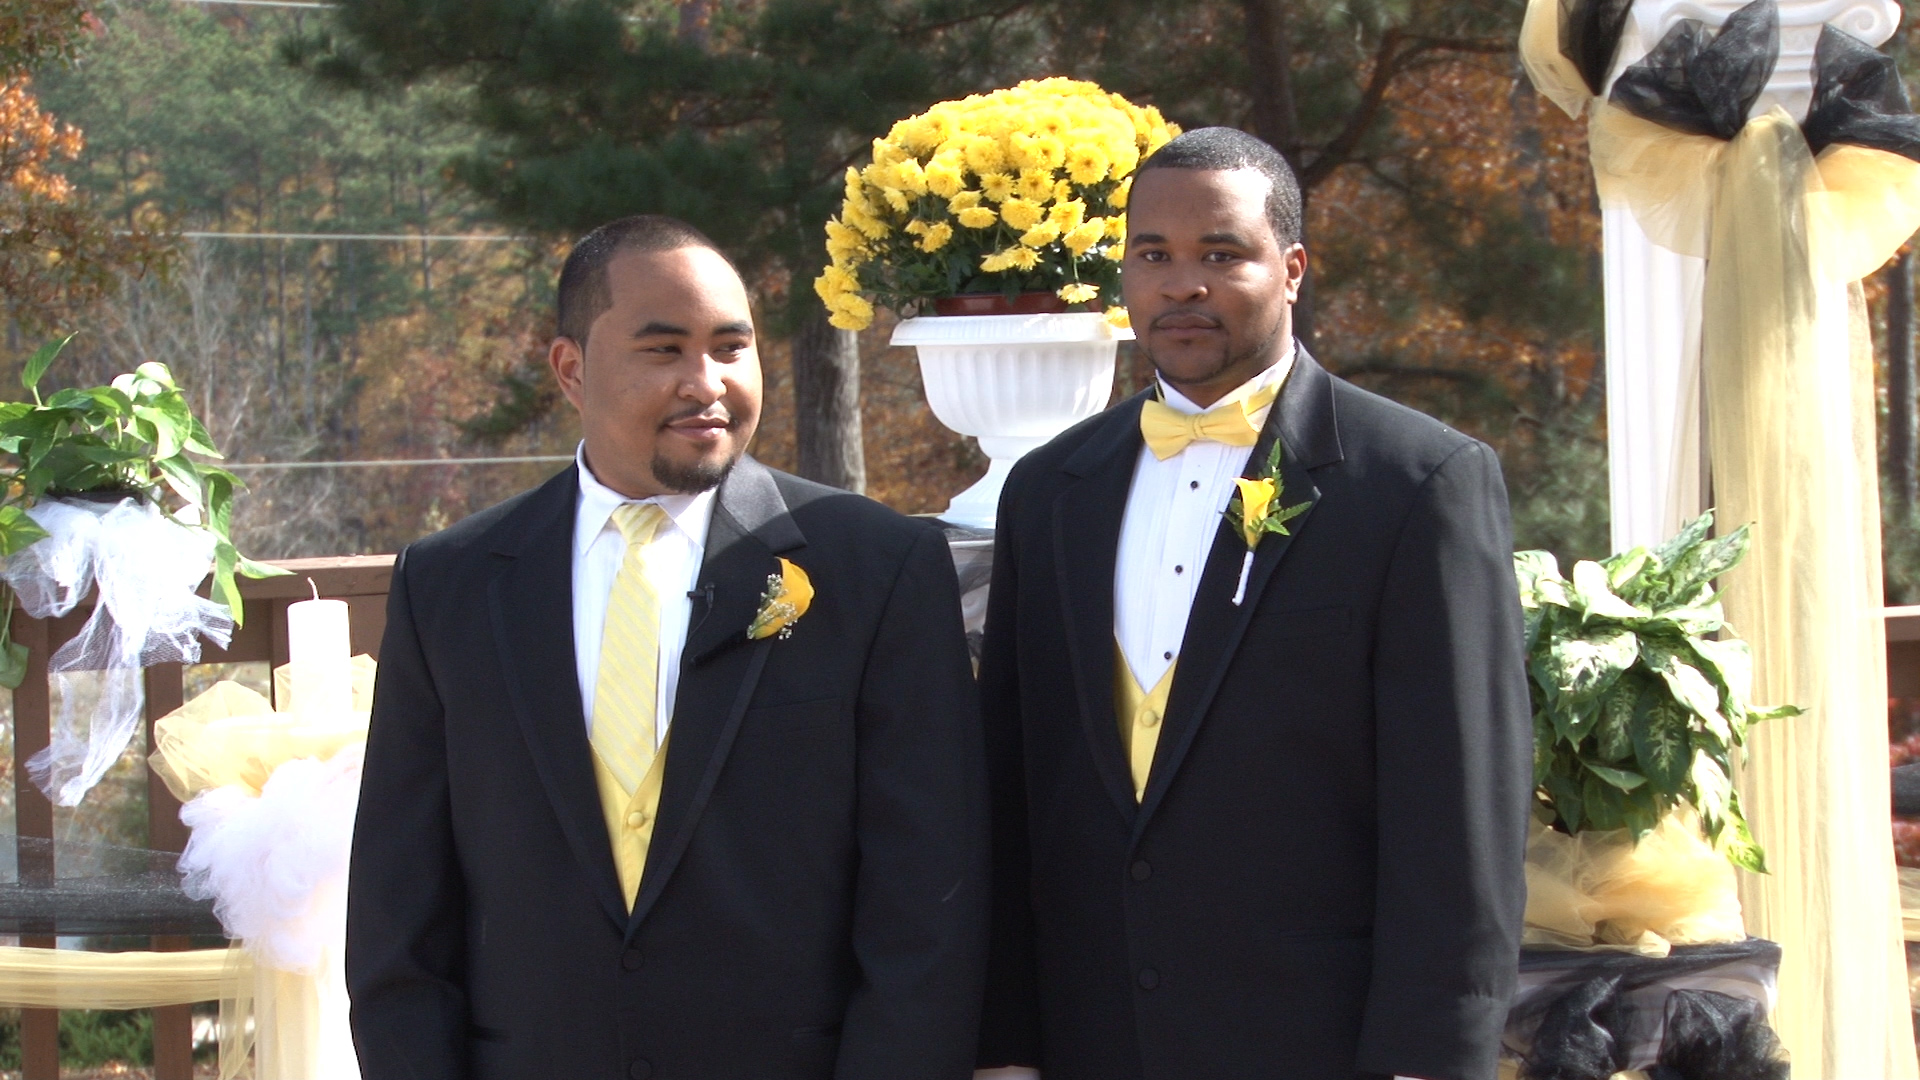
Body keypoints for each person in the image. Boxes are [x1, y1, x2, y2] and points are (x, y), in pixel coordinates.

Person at [347, 215, 989, 1080]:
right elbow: (398, 915)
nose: (707, 383)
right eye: (664, 351)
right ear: (571, 369)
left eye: (731, 348)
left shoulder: (875, 568)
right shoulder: (450, 584)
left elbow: (928, 903)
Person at [973, 128, 1531, 1080]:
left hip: (1321, 1044)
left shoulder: (1418, 483)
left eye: (1222, 254)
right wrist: (1005, 1050)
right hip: (1091, 1039)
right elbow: (1012, 792)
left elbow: (1460, 809)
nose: (1182, 285)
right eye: (1154, 255)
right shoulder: (1048, 491)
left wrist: (1433, 1058)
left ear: (1293, 270)